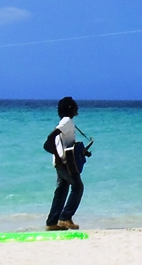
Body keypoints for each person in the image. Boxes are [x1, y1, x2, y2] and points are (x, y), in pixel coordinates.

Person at [46, 96, 84, 231]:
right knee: (78, 187)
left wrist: (81, 152)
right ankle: (65, 218)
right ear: (70, 108)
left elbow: (65, 143)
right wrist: (57, 157)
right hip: (65, 163)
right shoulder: (67, 121)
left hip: (63, 162)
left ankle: (52, 222)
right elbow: (50, 138)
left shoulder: (66, 122)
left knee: (61, 192)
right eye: (74, 105)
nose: (77, 107)